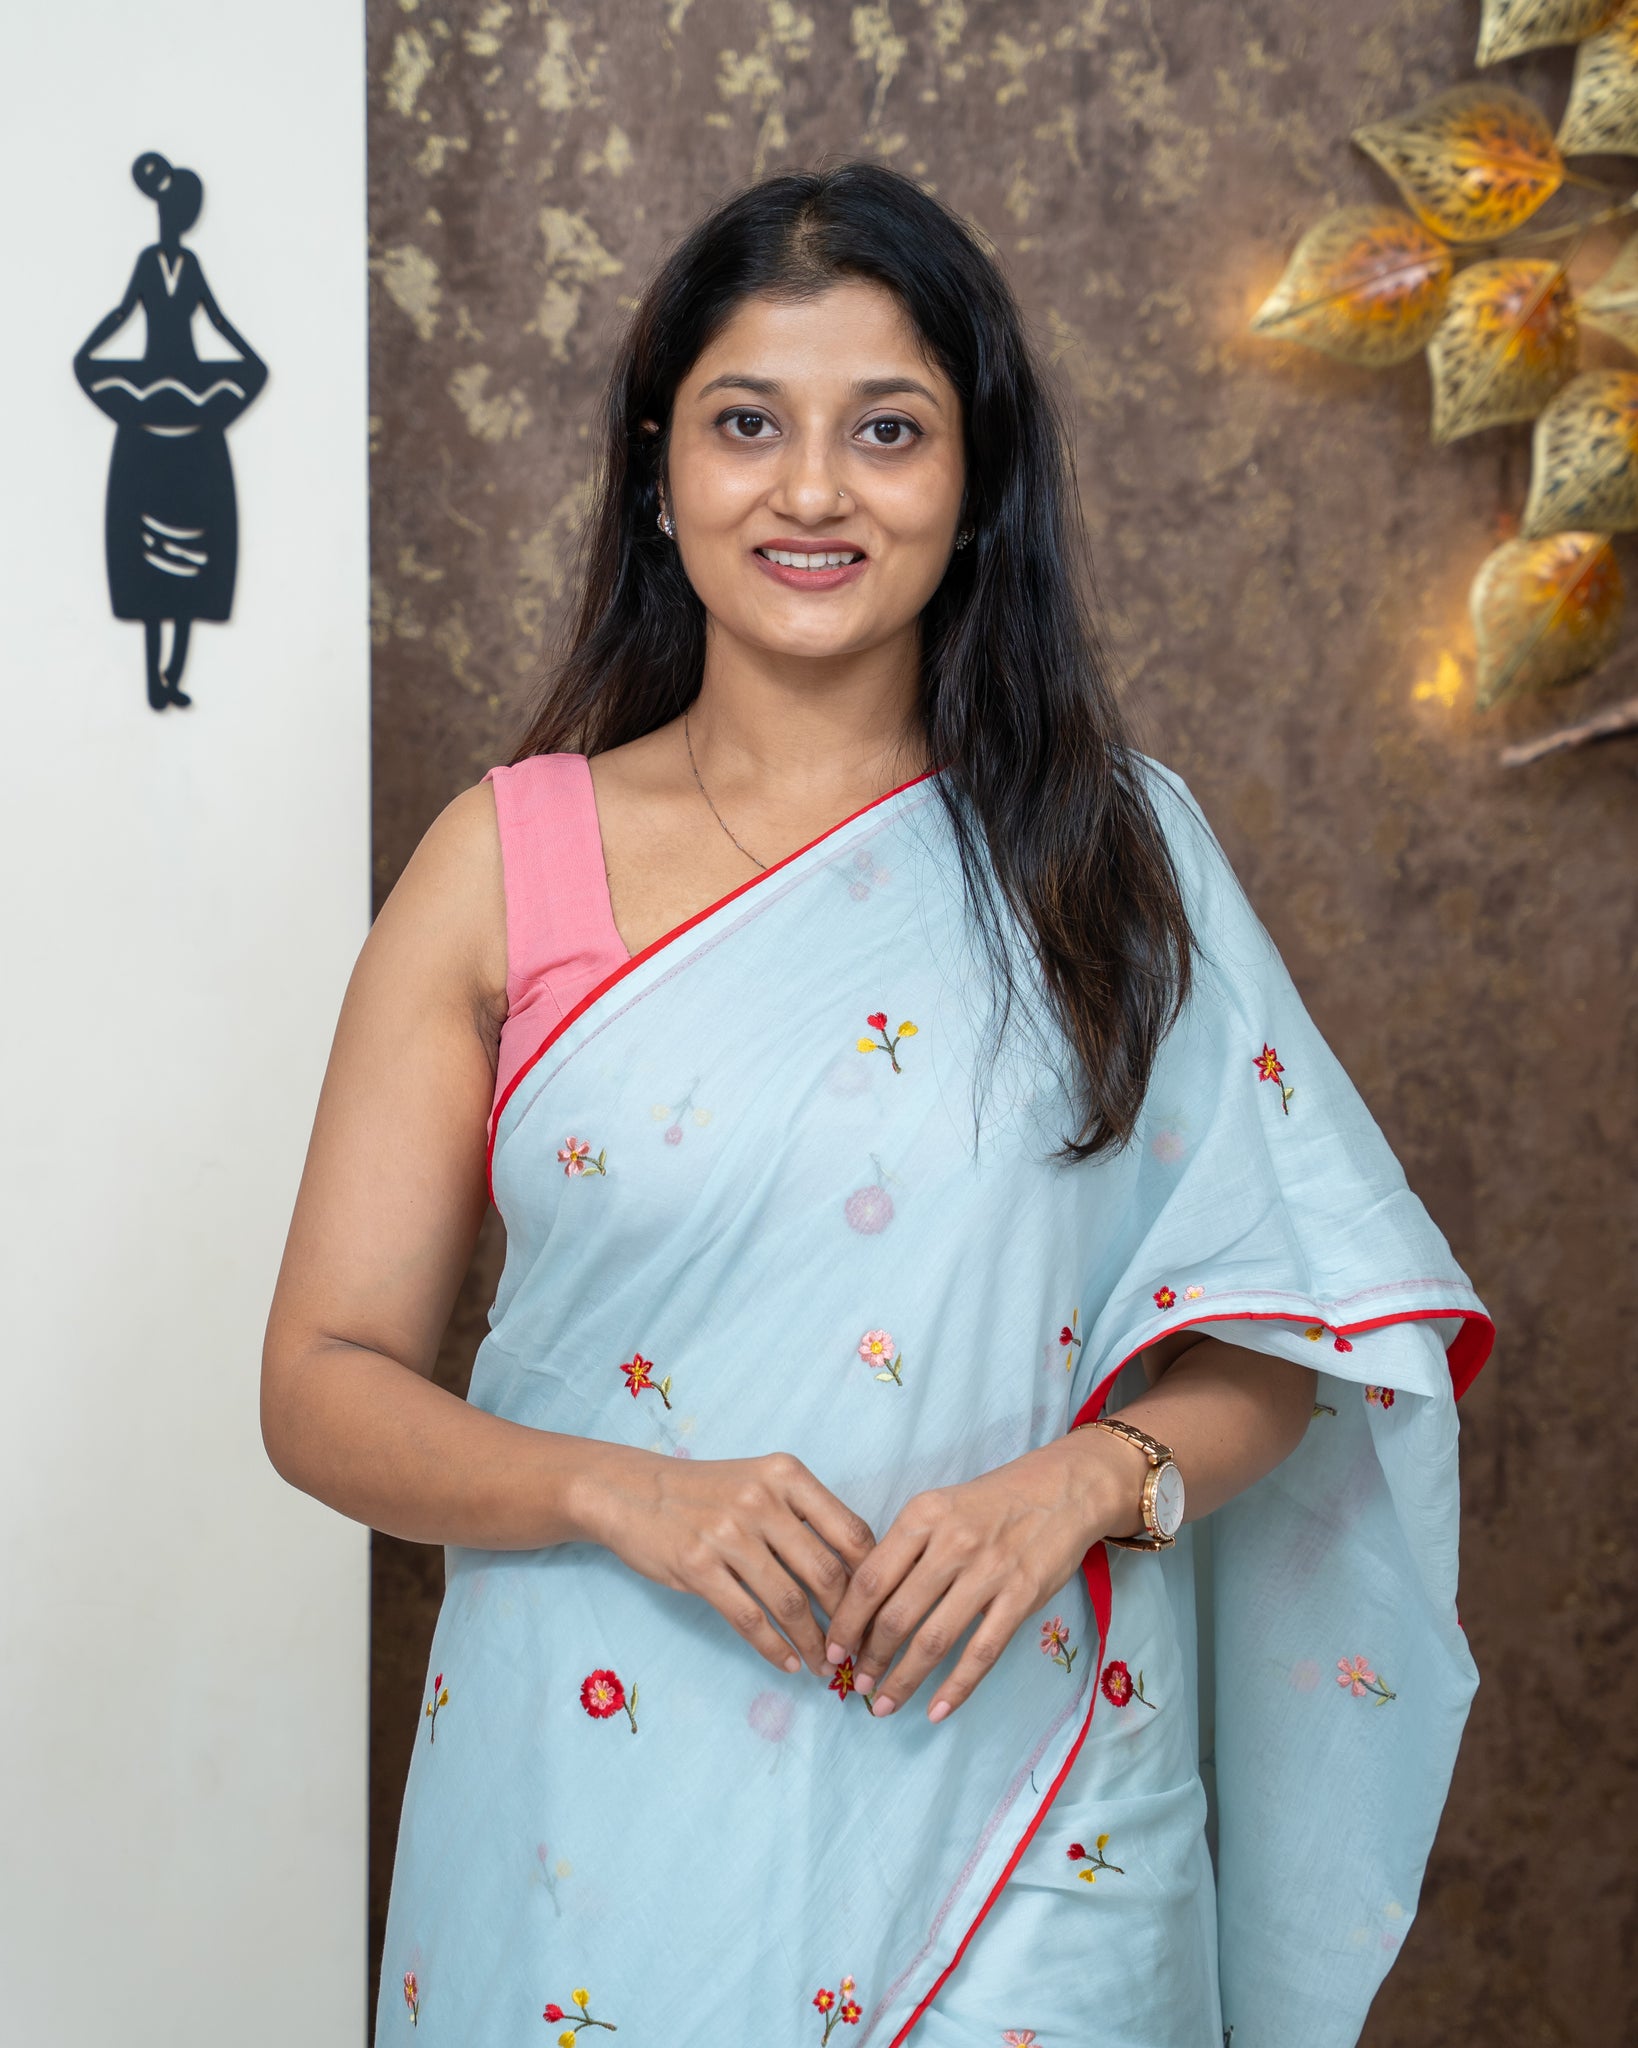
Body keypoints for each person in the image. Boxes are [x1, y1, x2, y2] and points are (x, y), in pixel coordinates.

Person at [261, 162, 1491, 2046]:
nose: (813, 490)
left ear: (976, 481)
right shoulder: (504, 864)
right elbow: (322, 1379)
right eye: (747, 424)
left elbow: (1285, 1335)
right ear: (657, 470)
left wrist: (1085, 1481)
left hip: (1032, 1812)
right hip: (599, 1812)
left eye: (888, 430)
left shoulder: (1114, 855)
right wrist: (613, 1483)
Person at [73, 151, 267, 710]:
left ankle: (172, 678)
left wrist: (249, 358)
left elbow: (217, 319)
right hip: (153, 393)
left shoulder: (192, 266)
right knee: (147, 565)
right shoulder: (147, 262)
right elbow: (122, 313)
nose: (176, 220)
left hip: (190, 404)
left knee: (191, 561)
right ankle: (154, 681)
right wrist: (89, 352)